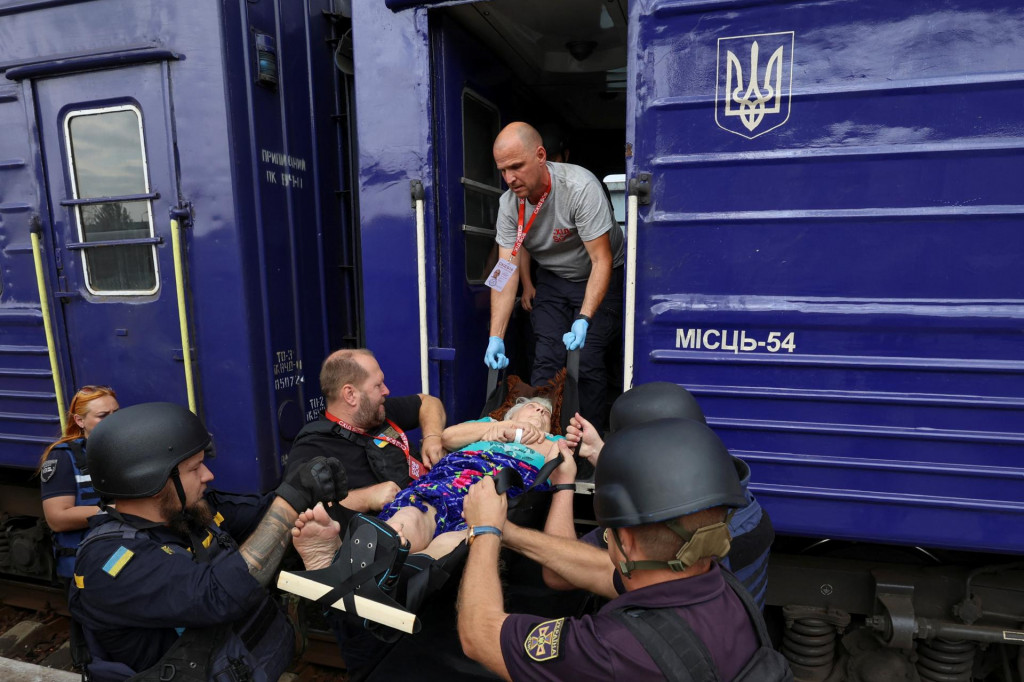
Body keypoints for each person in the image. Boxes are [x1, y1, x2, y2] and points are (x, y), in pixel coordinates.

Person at [457, 418, 793, 681]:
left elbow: (479, 633)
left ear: (627, 542)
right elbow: (604, 570)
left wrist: (483, 531)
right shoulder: (717, 584)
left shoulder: (613, 650)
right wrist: (507, 530)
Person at [68, 402, 347, 681]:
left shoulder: (188, 512)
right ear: (151, 481)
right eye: (195, 467)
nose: (208, 475)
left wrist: (311, 484)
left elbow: (265, 513)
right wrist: (291, 502)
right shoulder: (109, 561)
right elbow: (217, 596)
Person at [549, 382, 775, 609]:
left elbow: (557, 572)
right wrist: (605, 455)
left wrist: (563, 484)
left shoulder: (665, 534)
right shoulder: (742, 503)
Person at [484, 122, 625, 433]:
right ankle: (542, 441)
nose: (510, 179)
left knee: (585, 360)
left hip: (601, 273)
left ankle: (588, 446)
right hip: (554, 276)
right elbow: (504, 274)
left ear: (540, 155)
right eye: (503, 170)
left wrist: (585, 317)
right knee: (546, 359)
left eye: (516, 167)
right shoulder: (509, 204)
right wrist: (496, 336)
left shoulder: (579, 188)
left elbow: (601, 260)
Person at [285, 348, 446, 515]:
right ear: (350, 395)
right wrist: (366, 498)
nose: (386, 391)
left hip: (435, 499)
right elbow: (295, 510)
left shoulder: (377, 412)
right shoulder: (313, 446)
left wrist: (432, 437)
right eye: (378, 385)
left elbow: (428, 402)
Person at [38, 385, 119, 579]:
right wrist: (119, 510)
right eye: (103, 415)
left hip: (120, 561)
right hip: (86, 567)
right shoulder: (62, 458)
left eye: (116, 413)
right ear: (80, 420)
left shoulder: (127, 451)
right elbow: (57, 519)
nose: (113, 420)